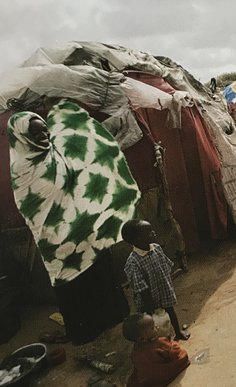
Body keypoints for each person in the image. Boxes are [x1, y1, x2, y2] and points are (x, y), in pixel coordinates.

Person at [7, 99, 140, 344]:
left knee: (99, 272)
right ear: (22, 137)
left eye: (46, 130)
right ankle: (85, 331)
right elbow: (33, 208)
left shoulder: (57, 153)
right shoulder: (22, 170)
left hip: (84, 229)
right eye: (36, 133)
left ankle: (112, 317)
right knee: (72, 285)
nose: (45, 136)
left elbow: (84, 166)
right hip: (57, 242)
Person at [122, 219, 190, 340]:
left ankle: (177, 332)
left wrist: (167, 284)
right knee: (152, 322)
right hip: (148, 299)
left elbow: (165, 266)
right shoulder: (133, 262)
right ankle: (158, 341)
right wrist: (150, 305)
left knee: (170, 311)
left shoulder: (156, 248)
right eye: (148, 233)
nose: (153, 233)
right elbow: (141, 288)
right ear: (137, 240)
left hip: (163, 289)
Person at [123, 313, 190, 387]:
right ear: (142, 339)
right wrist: (173, 343)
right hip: (163, 375)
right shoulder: (159, 342)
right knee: (183, 355)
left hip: (149, 381)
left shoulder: (134, 351)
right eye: (152, 327)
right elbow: (175, 353)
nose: (157, 327)